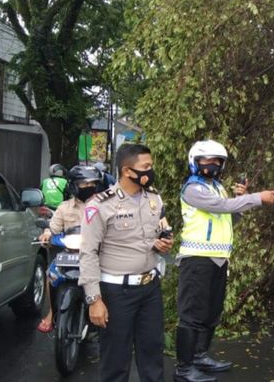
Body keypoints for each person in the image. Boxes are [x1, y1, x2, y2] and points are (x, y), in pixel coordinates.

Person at [174, 140, 274, 382]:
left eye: (217, 162)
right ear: (195, 162)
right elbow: (221, 207)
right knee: (192, 315)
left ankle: (200, 356)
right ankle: (183, 369)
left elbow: (229, 220)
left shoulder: (219, 188)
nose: (212, 165)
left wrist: (240, 202)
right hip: (196, 260)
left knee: (212, 312)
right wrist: (256, 198)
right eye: (207, 161)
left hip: (219, 260)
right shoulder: (192, 189)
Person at [79, 144, 174, 382]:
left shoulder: (153, 198)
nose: (151, 171)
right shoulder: (100, 205)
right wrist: (94, 299)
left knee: (152, 353)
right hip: (116, 292)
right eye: (146, 167)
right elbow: (88, 253)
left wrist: (161, 243)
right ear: (127, 171)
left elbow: (162, 231)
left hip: (150, 287)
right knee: (116, 360)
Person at [36, 165, 105, 333]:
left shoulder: (104, 206)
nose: (89, 187)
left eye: (92, 184)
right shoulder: (64, 207)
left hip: (97, 255)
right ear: (73, 185)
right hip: (69, 254)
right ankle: (51, 312)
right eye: (84, 184)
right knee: (51, 274)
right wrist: (46, 235)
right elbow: (52, 229)